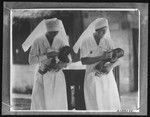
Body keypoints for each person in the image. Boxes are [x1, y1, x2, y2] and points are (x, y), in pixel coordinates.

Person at [22, 18, 71, 110]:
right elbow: (31, 60)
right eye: (52, 32)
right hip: (42, 74)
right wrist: (47, 56)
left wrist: (61, 64)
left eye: (56, 32)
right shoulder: (38, 41)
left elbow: (69, 60)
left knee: (57, 104)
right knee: (40, 103)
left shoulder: (60, 41)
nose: (54, 34)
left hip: (57, 76)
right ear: (47, 30)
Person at [73, 18, 121, 111]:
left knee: (108, 103)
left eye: (105, 31)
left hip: (106, 76)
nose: (104, 34)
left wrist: (110, 66)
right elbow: (84, 61)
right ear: (96, 31)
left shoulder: (108, 41)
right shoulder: (86, 41)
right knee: (94, 104)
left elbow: (118, 60)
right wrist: (101, 57)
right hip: (92, 76)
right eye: (102, 31)